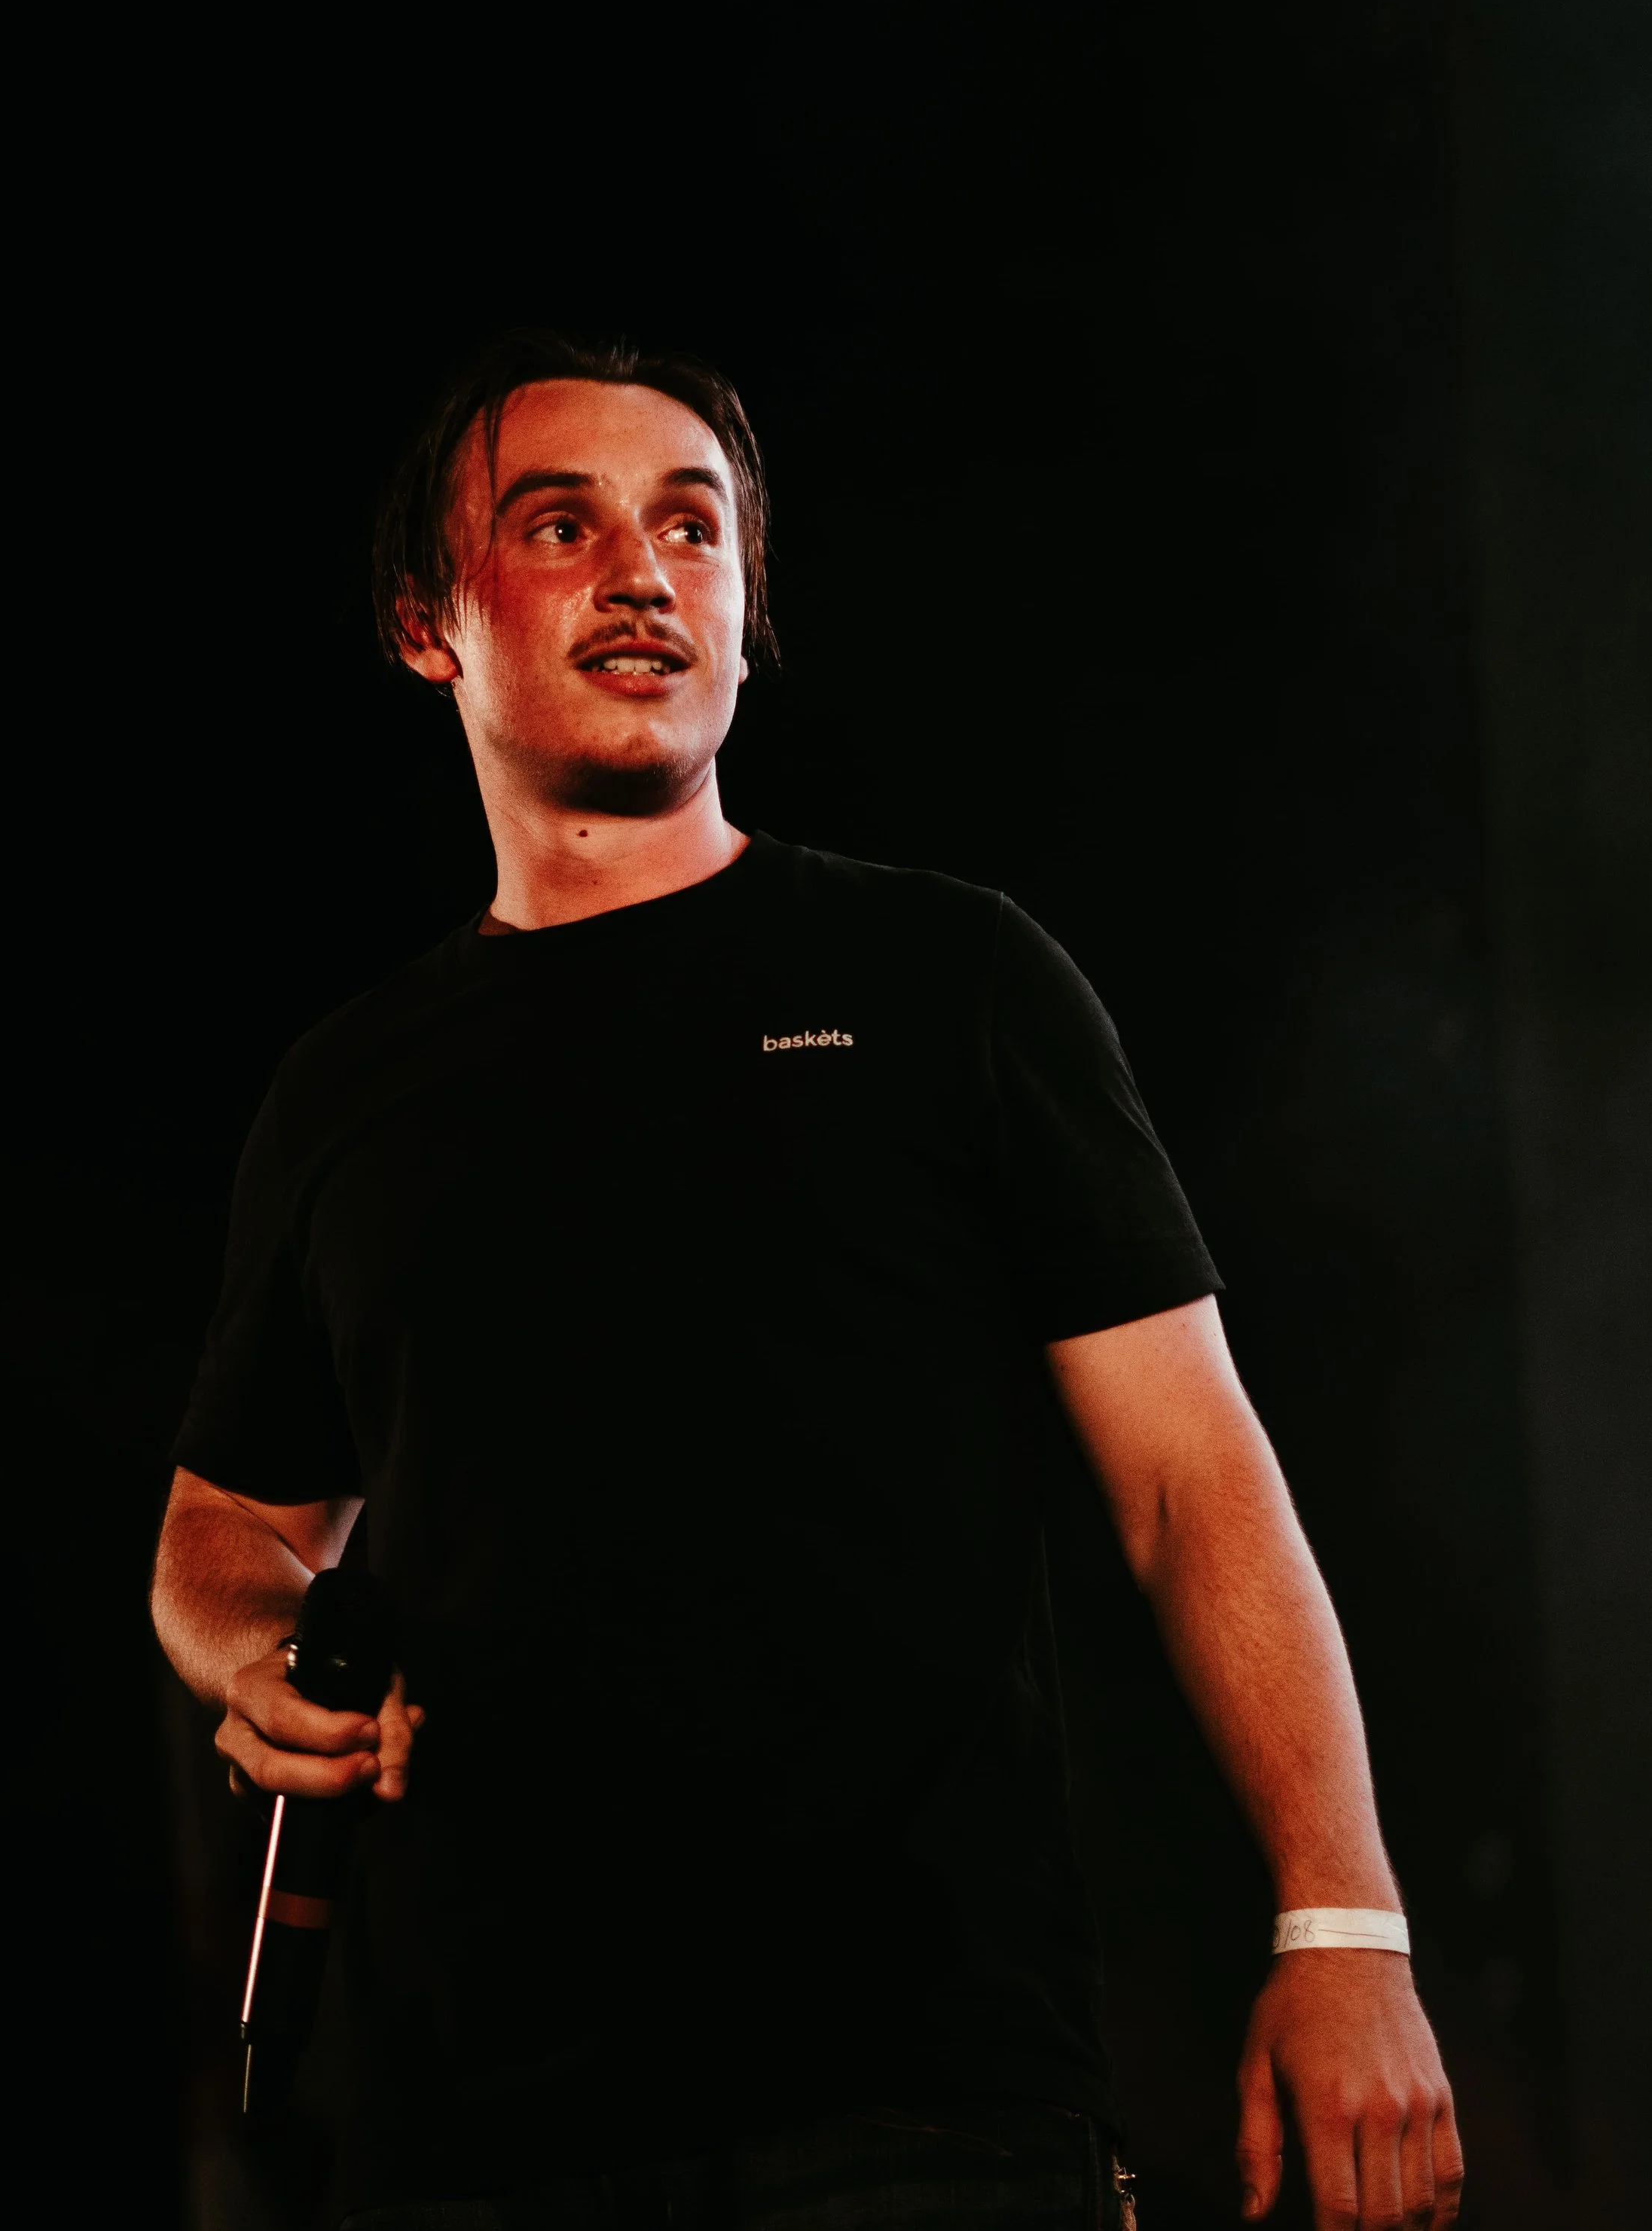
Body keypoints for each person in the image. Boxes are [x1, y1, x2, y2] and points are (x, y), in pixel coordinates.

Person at [152, 331, 1464, 2231]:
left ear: (745, 616)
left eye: (692, 529)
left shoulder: (953, 983)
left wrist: (1342, 1929)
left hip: (919, 2109)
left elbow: (1193, 1485)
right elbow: (222, 1527)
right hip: (476, 2131)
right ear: (425, 621)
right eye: (560, 523)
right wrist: (253, 1651)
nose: (641, 571)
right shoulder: (347, 1090)